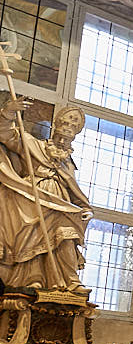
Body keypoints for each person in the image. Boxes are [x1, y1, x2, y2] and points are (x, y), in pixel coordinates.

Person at [0, 106, 91, 293]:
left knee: (67, 233)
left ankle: (71, 281)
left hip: (60, 203)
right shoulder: (31, 144)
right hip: (32, 199)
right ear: (56, 124)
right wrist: (8, 112)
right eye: (66, 122)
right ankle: (34, 279)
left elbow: (76, 193)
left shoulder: (68, 164)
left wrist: (86, 209)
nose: (68, 128)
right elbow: (5, 134)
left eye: (74, 126)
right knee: (34, 238)